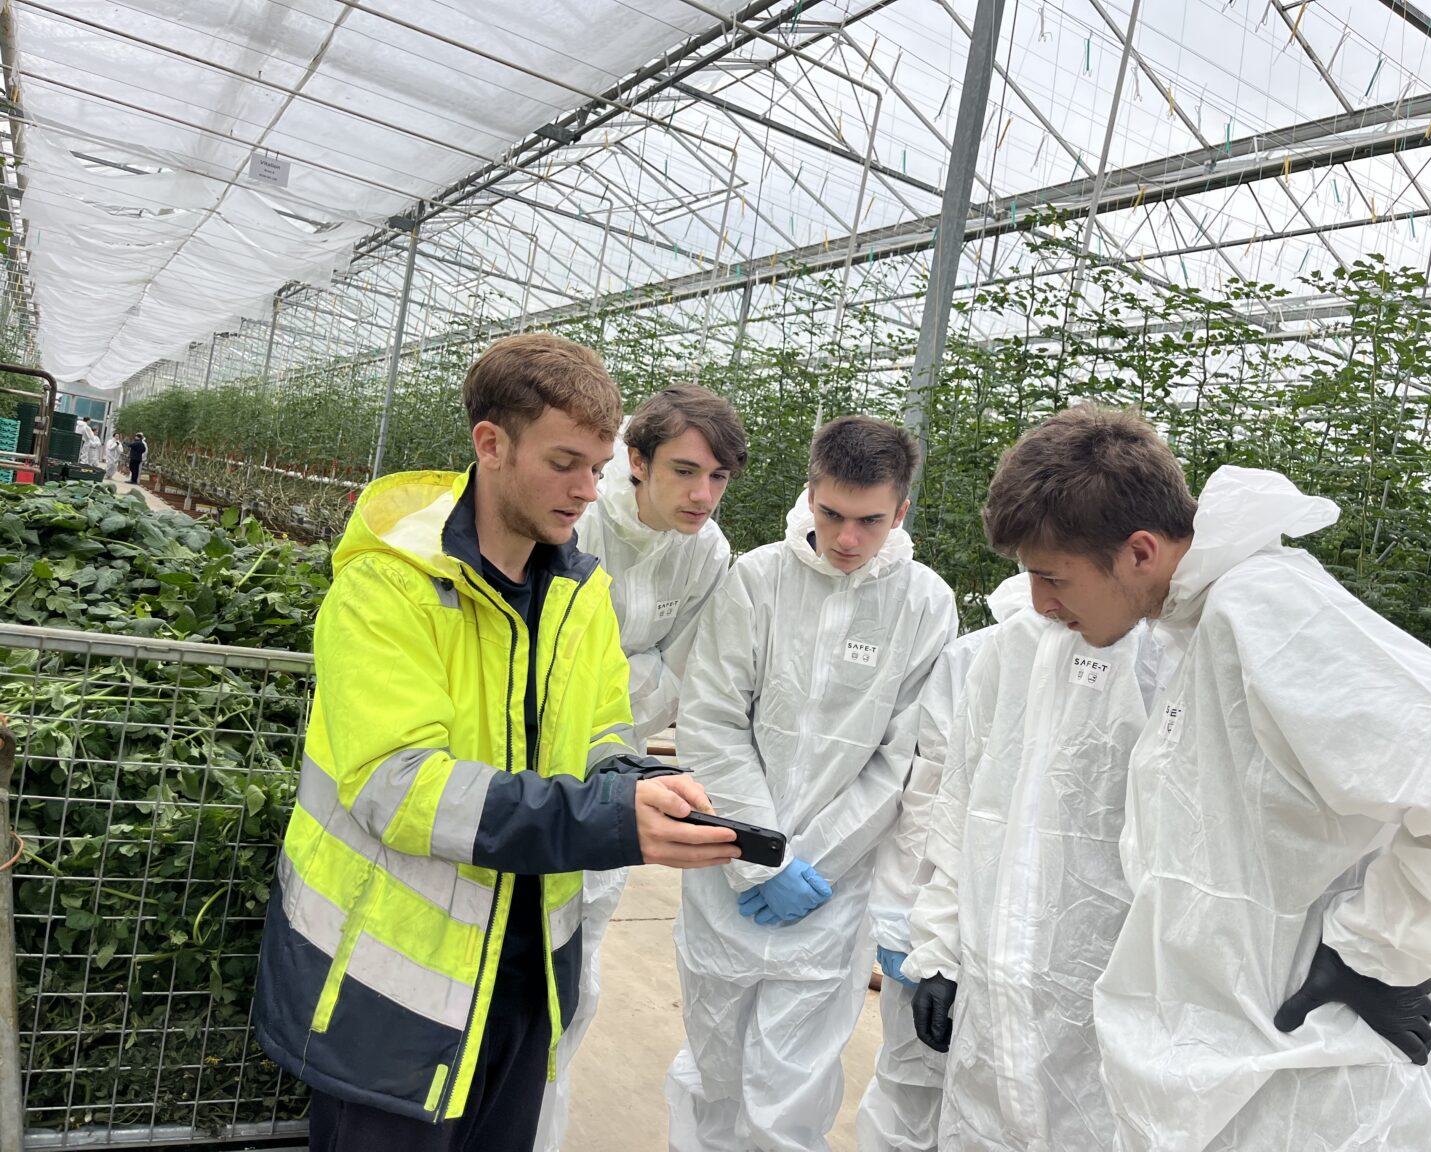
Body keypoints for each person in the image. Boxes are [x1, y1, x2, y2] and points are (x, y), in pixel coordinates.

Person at [992, 404, 1431, 1151]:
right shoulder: (1199, 622)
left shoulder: (1268, 612)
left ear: (1140, 552)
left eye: (1052, 578)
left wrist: (1374, 956)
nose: (1041, 605)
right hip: (1238, 1072)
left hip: (1307, 1087)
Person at [252, 333, 741, 1152]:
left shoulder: (579, 591)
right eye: (565, 463)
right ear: (490, 443)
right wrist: (604, 820)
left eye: (598, 465)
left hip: (523, 985)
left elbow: (601, 731)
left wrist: (630, 785)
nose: (588, 489)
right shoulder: (389, 586)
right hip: (390, 992)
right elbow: (400, 788)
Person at [666, 415, 958, 1152]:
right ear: (810, 493)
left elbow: (904, 760)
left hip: (829, 896)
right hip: (726, 876)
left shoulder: (924, 603)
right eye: (831, 514)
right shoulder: (758, 579)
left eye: (869, 521)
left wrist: (807, 861)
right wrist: (760, 853)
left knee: (786, 1100)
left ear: (902, 510)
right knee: (711, 1075)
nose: (846, 539)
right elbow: (711, 722)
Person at [535, 383, 748, 1151]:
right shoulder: (577, 521)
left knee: (579, 959)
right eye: (686, 471)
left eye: (719, 478)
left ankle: (540, 1126)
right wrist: (626, 675)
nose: (703, 495)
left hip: (616, 778)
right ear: (635, 461)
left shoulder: (709, 552)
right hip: (524, 767)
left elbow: (686, 670)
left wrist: (609, 691)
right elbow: (536, 663)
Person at [895, 563, 1164, 1148]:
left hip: (1101, 1000)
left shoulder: (1165, 656)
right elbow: (963, 806)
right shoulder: (1013, 647)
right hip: (993, 992)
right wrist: (940, 952)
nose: (1039, 599)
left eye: (1057, 577)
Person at [854, 571, 1034, 1152]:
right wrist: (913, 931)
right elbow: (930, 803)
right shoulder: (977, 660)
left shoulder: (1144, 660)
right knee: (912, 1090)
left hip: (1038, 953)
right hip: (944, 922)